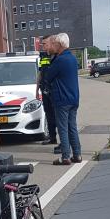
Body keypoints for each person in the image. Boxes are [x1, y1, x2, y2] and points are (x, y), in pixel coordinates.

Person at [44, 33, 81, 165]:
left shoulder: (59, 60)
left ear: (59, 45)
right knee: (72, 127)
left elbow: (48, 77)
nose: (52, 45)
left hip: (62, 99)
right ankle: (77, 155)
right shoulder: (72, 58)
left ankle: (65, 156)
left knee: (63, 128)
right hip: (74, 98)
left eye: (54, 43)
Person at [37, 36, 59, 154]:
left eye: (44, 44)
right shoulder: (43, 56)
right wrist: (37, 90)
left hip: (54, 91)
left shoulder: (57, 56)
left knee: (58, 116)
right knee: (49, 114)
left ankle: (63, 142)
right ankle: (52, 137)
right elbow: (40, 73)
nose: (43, 46)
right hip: (44, 90)